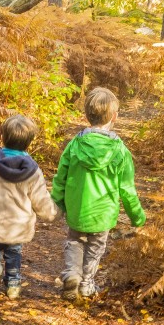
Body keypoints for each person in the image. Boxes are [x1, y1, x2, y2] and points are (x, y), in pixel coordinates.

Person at [52, 87, 146, 302]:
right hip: (103, 213)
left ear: (87, 115)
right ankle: (86, 285)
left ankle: (71, 274)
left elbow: (60, 178)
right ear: (114, 116)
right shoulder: (120, 151)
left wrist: (56, 202)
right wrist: (137, 217)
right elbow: (127, 189)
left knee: (74, 241)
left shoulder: (75, 145)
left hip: (77, 209)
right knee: (95, 246)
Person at [0, 115, 59, 300]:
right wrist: (53, 214)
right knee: (13, 253)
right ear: (29, 142)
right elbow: (40, 199)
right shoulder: (33, 171)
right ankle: (12, 285)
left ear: (3, 136)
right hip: (17, 226)